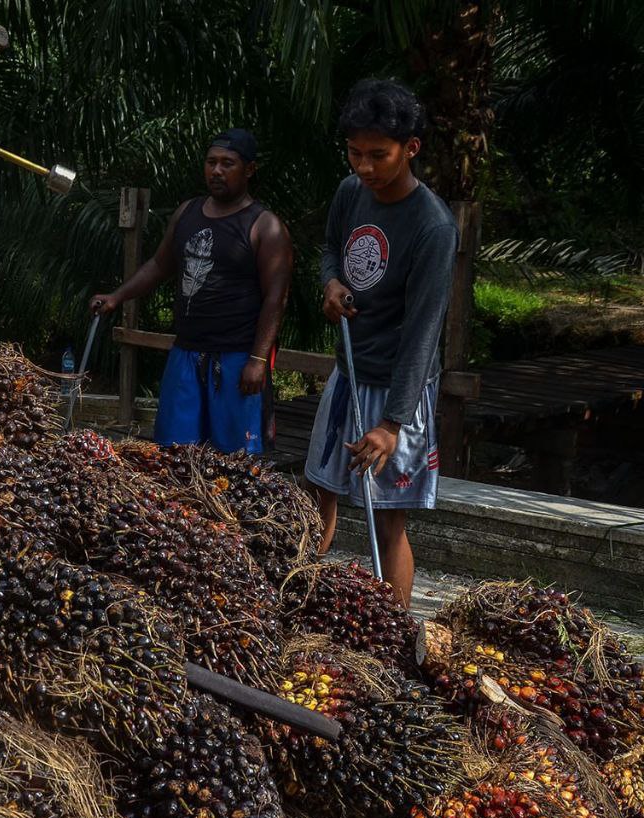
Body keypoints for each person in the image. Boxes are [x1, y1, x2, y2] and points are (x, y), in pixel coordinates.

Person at [305, 78, 459, 607]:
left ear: (410, 149)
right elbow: (330, 249)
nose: (364, 167)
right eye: (354, 153)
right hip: (348, 373)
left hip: (399, 391)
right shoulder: (351, 193)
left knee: (389, 521)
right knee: (319, 496)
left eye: (378, 155)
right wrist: (330, 282)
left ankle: (392, 639)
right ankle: (296, 603)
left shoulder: (433, 227)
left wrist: (392, 425)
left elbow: (423, 333)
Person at [90, 130, 292, 453]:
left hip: (236, 358)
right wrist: (117, 296)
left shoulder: (265, 226)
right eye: (211, 162)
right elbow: (158, 265)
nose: (217, 171)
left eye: (228, 164)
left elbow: (276, 298)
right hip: (185, 353)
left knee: (237, 464)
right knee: (173, 455)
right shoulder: (188, 213)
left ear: (249, 170)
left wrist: (257, 359)